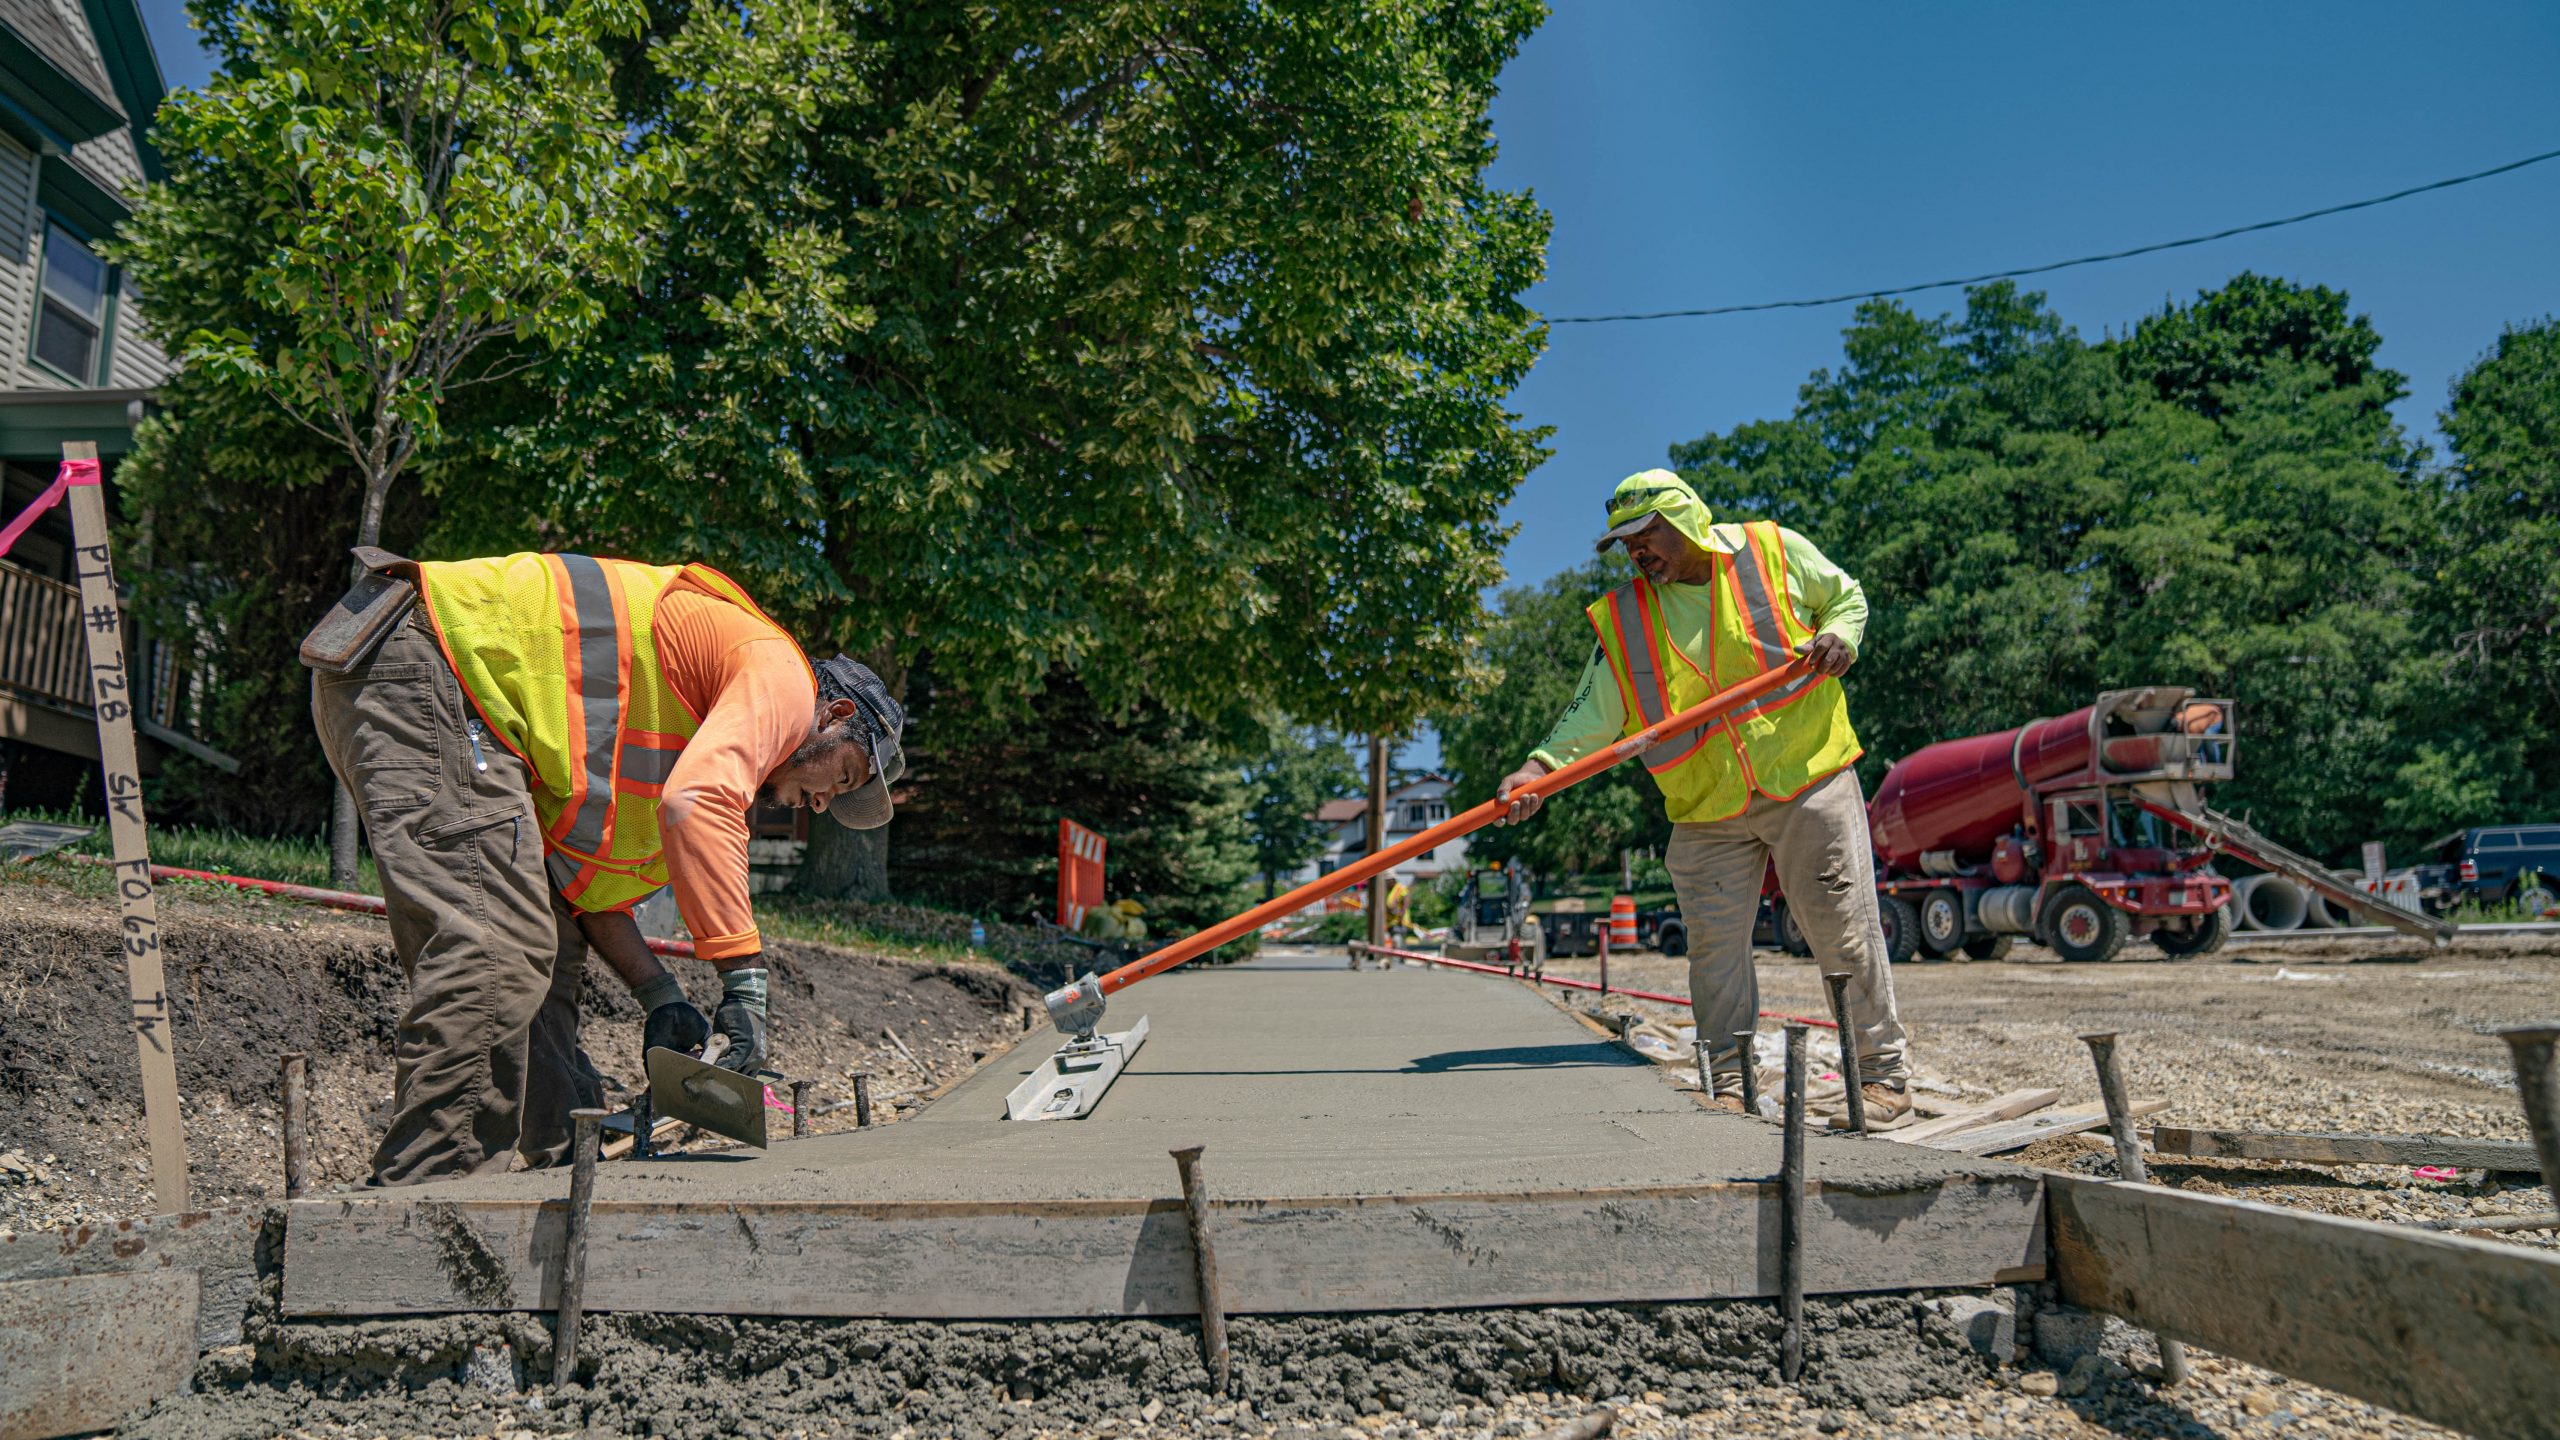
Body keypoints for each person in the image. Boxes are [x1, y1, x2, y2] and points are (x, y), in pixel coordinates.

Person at [307, 549, 906, 1184]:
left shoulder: (685, 730)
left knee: (544, 934)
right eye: (842, 777)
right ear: (835, 716)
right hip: (438, 664)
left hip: (433, 681)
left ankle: (567, 1155)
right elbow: (699, 802)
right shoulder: (786, 681)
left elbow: (584, 894)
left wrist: (659, 994)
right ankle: (428, 1203)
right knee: (497, 952)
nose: (822, 802)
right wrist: (744, 983)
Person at [1491, 470, 1914, 1125]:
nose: (1636, 552)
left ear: (1684, 519)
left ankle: (1883, 1077)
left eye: (1645, 535)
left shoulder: (1773, 551)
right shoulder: (1629, 617)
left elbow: (1846, 598)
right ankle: (1728, 1081)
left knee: (1843, 932)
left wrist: (1842, 638)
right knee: (1714, 952)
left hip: (1806, 776)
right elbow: (1592, 711)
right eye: (1624, 543)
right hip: (1706, 807)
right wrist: (1538, 768)